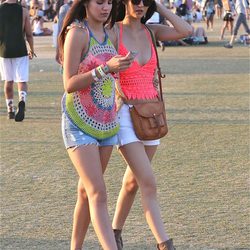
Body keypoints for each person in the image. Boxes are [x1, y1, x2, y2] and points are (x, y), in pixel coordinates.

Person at [109, 2, 192, 249]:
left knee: (133, 182)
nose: (141, 5)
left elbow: (185, 29)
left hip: (152, 115)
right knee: (148, 182)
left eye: (146, 0)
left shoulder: (151, 31)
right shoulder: (114, 32)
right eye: (136, 0)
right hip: (124, 114)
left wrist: (161, 7)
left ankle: (114, 233)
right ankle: (164, 243)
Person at [57, 0, 133, 249]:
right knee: (98, 193)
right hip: (78, 122)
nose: (106, 7)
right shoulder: (78, 33)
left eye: (109, 2)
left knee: (86, 192)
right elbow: (69, 83)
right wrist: (105, 69)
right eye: (99, 2)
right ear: (86, 4)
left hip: (106, 122)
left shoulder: (111, 31)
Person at [0, 0, 35, 121]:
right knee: (22, 80)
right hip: (20, 49)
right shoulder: (24, 11)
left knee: (8, 81)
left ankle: (10, 110)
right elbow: (29, 34)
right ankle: (22, 101)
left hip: (4, 50)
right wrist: (32, 49)